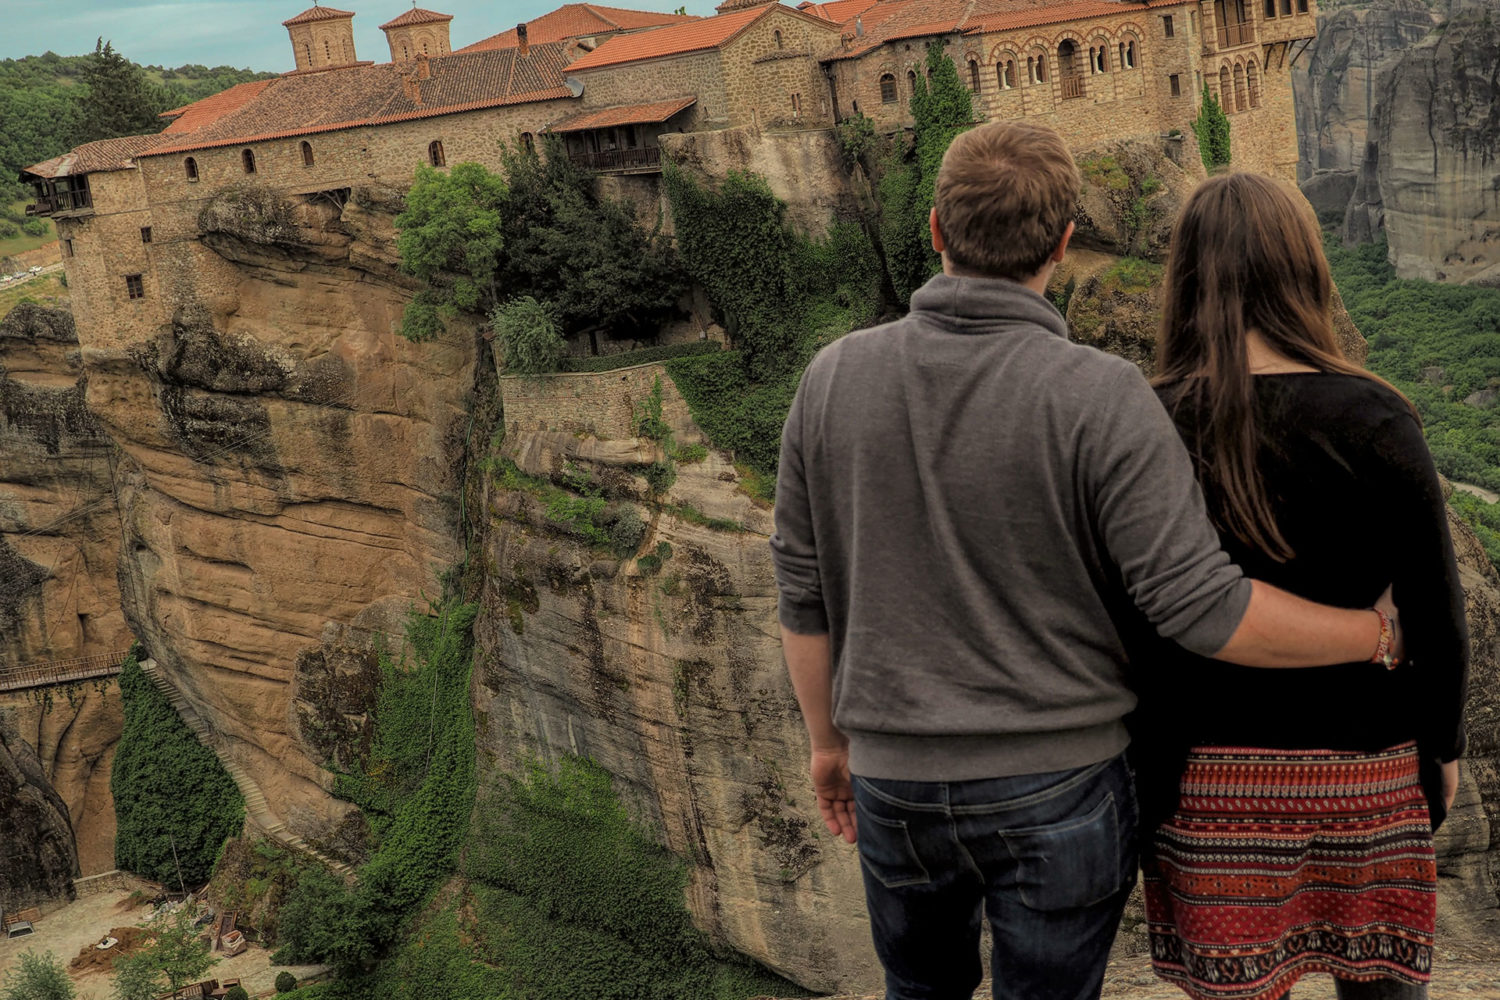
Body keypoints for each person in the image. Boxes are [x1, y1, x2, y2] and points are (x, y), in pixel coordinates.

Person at [769, 120, 1407, 1000]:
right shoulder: (1099, 395)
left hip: (895, 781)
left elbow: (804, 596)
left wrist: (828, 746)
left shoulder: (830, 378)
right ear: (1066, 244)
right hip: (1060, 786)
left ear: (935, 231)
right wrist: (1369, 633)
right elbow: (1202, 610)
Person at [1133, 172, 1468, 1000]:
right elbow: (1437, 610)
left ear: (1185, 280)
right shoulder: (1375, 416)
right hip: (1368, 772)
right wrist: (1445, 747)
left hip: (1209, 787)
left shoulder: (1148, 421)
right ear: (1304, 271)